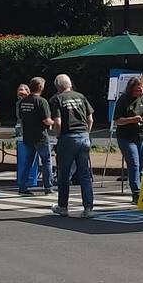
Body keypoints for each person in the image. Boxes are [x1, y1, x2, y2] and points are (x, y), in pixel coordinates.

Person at [50, 73, 95, 218]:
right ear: (69, 84)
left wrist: (58, 135)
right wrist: (86, 132)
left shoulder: (57, 99)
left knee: (64, 173)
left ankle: (63, 206)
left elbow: (57, 121)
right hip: (83, 135)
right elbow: (90, 118)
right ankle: (88, 208)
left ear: (57, 87)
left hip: (68, 137)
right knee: (84, 174)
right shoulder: (81, 96)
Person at [113, 75, 143, 197]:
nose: (140, 92)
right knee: (134, 164)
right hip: (126, 137)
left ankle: (141, 187)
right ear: (131, 89)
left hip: (142, 135)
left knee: (141, 163)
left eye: (141, 89)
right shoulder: (123, 100)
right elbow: (117, 120)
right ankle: (136, 192)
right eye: (137, 90)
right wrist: (132, 120)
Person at [18, 76, 53, 195]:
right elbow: (46, 121)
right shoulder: (41, 101)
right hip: (40, 136)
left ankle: (23, 186)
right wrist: (55, 123)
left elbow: (21, 117)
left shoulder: (22, 102)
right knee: (46, 161)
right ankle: (48, 187)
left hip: (28, 136)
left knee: (28, 162)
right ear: (41, 87)